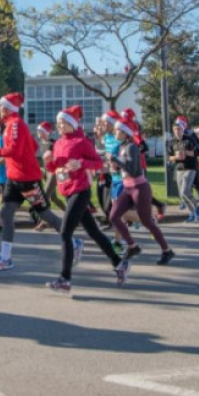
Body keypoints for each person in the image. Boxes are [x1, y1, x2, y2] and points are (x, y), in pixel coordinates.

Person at [43, 105, 128, 295]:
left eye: (64, 122)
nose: (61, 126)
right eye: (58, 123)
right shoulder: (57, 144)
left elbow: (99, 163)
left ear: (73, 124)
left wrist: (81, 163)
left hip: (80, 191)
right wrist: (48, 162)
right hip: (66, 191)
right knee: (94, 232)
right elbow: (54, 169)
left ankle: (65, 279)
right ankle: (119, 263)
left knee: (65, 233)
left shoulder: (82, 142)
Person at [0, 93, 63, 272]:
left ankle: (73, 242)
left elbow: (15, 150)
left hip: (27, 179)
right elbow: (32, 147)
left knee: (45, 215)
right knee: (5, 213)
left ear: (7, 108)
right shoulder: (12, 125)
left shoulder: (15, 124)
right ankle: (5, 258)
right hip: (14, 178)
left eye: (0, 106)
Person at [108, 116, 174, 266]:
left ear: (125, 132)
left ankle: (167, 250)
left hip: (139, 188)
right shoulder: (123, 146)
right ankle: (133, 246)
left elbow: (134, 169)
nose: (114, 131)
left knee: (147, 222)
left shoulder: (132, 147)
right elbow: (124, 167)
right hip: (127, 187)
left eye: (117, 129)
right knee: (114, 216)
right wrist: (115, 165)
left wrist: (117, 161)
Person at [168, 116, 199, 222]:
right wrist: (176, 157)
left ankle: (197, 208)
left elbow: (198, 152)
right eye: (175, 130)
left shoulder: (189, 139)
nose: (177, 132)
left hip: (190, 168)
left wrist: (186, 153)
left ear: (183, 130)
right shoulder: (171, 142)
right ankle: (192, 212)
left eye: (179, 129)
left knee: (184, 191)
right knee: (183, 195)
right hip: (179, 168)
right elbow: (169, 157)